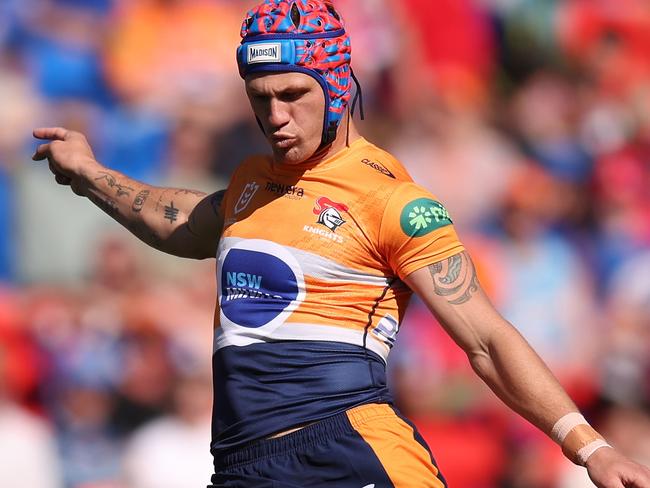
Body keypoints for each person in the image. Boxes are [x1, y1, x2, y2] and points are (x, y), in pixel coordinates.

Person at [32, 1, 650, 487]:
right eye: (260, 98)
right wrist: (92, 176)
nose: (275, 116)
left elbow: (486, 338)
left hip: (350, 453)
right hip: (243, 466)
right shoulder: (253, 184)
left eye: (293, 95)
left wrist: (588, 447)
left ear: (335, 85)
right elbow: (185, 221)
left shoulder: (394, 202)